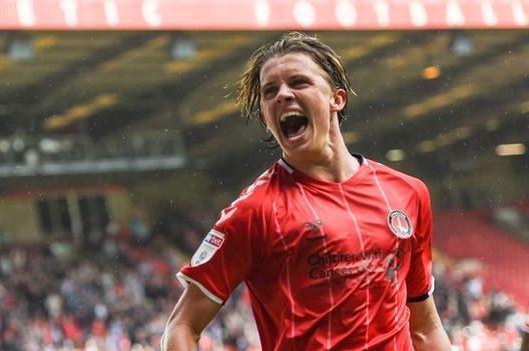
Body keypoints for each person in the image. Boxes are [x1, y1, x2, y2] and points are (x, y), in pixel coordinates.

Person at [162, 32, 451, 350]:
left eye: (298, 82)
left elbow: (424, 327)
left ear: (336, 98)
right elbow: (182, 326)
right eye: (270, 91)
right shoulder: (254, 210)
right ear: (265, 118)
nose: (282, 95)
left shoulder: (407, 193)